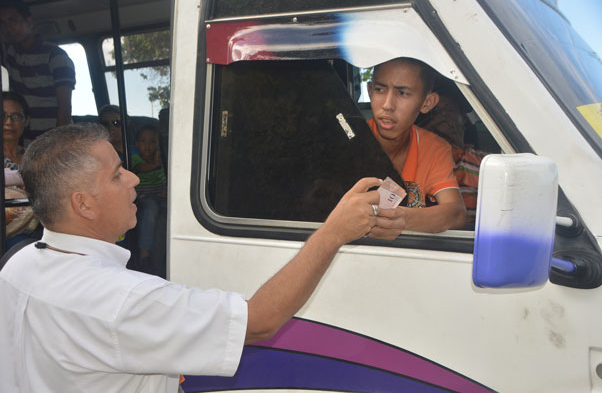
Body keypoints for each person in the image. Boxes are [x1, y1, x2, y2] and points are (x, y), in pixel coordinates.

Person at [0, 123, 399, 391]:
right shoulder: (122, 300)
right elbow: (259, 321)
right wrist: (333, 233)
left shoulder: (19, 264)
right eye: (118, 174)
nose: (135, 178)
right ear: (83, 204)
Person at [366, 57, 466, 234]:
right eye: (380, 90)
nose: (388, 105)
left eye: (403, 93)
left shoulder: (434, 148)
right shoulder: (350, 139)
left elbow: (456, 214)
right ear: (370, 91)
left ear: (427, 103)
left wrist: (397, 219)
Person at [0, 0, 75, 141]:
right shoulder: (8, 55)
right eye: (3, 23)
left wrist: (57, 144)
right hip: (22, 141)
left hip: (50, 140)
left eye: (13, 20)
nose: (8, 28)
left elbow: (64, 109)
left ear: (29, 21)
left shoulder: (56, 56)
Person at [417, 87, 489, 229]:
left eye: (448, 108)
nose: (443, 115)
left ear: (463, 119)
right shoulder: (417, 159)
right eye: (435, 112)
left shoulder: (485, 162)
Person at [2, 91, 39, 248]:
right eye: (2, 115)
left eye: (16, 116)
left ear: (27, 120)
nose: (8, 122)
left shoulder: (35, 159)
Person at [131, 124, 167, 276]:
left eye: (153, 142)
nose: (148, 146)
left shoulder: (161, 159)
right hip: (144, 198)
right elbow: (141, 168)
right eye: (143, 141)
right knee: (150, 210)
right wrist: (155, 164)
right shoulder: (135, 158)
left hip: (160, 196)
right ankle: (144, 252)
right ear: (137, 144)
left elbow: (164, 179)